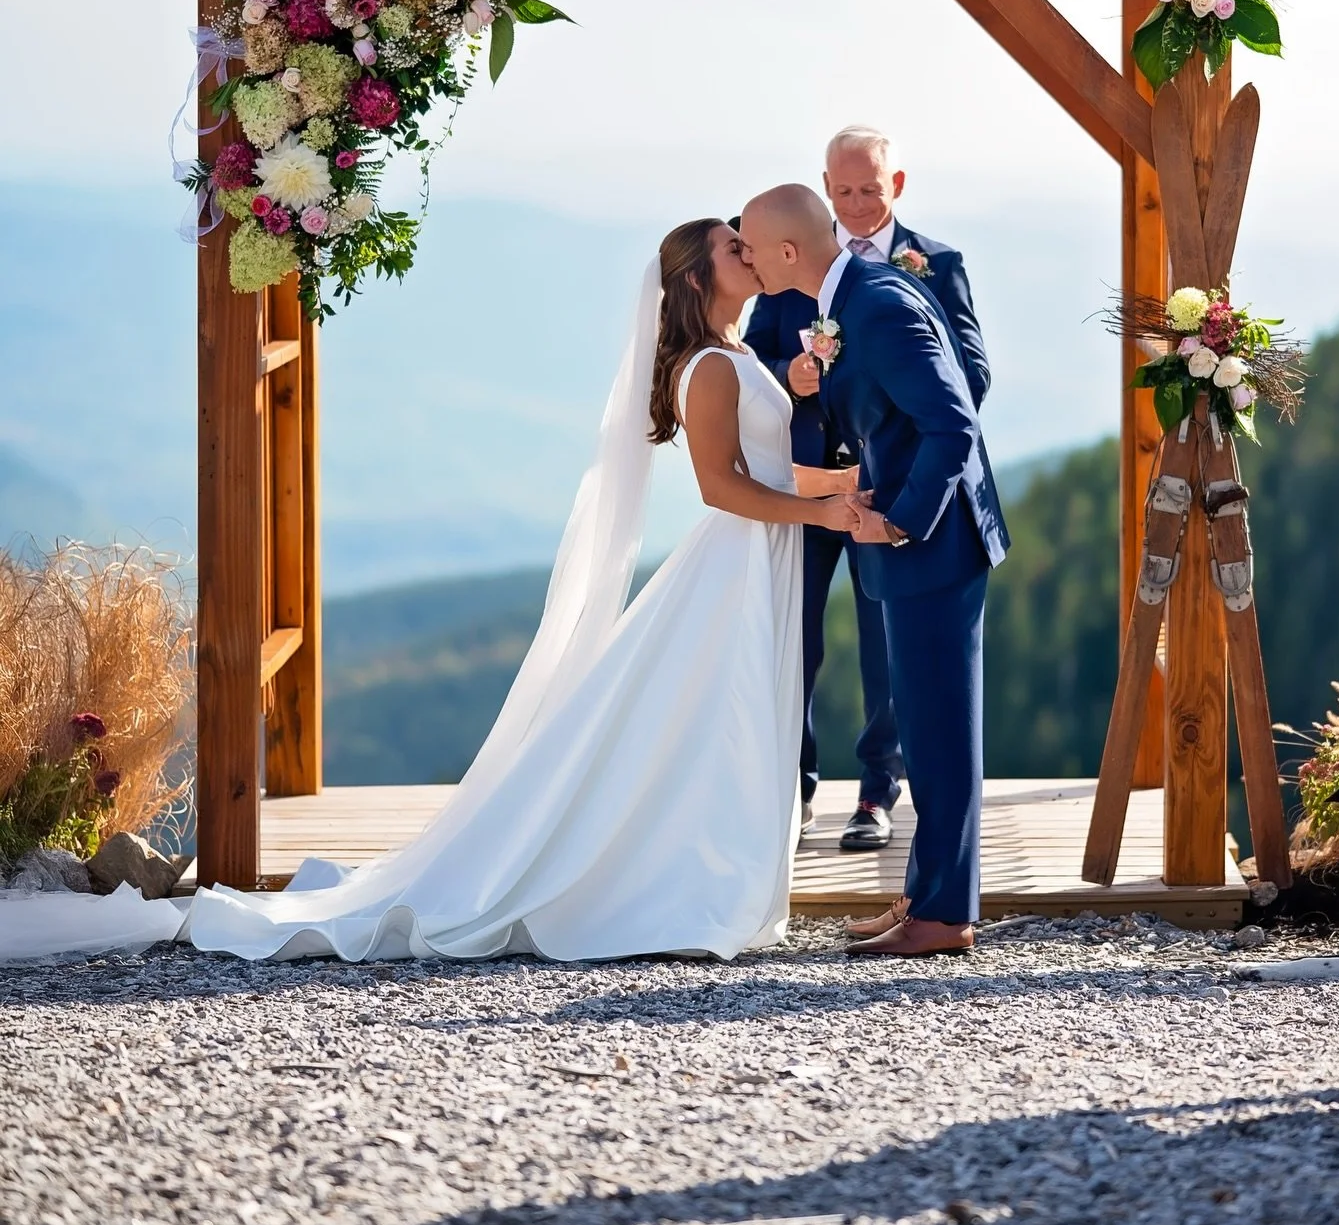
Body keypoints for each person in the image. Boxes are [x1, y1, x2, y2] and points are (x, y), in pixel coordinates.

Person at [0, 220, 862, 968]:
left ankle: (710, 880)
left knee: (725, 721)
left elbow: (771, 469)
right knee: (719, 717)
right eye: (733, 246)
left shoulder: (738, 354)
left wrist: (847, 488)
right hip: (734, 563)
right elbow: (722, 488)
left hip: (759, 556)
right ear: (697, 278)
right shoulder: (709, 368)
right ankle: (687, 892)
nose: (750, 252)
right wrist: (823, 511)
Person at [739, 185, 1009, 957]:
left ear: (788, 252)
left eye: (751, 246)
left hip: (932, 543)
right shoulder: (852, 295)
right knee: (924, 728)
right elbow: (899, 424)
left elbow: (952, 425)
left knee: (941, 733)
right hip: (907, 538)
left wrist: (898, 519)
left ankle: (945, 916)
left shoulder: (878, 305)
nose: (747, 258)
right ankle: (927, 895)